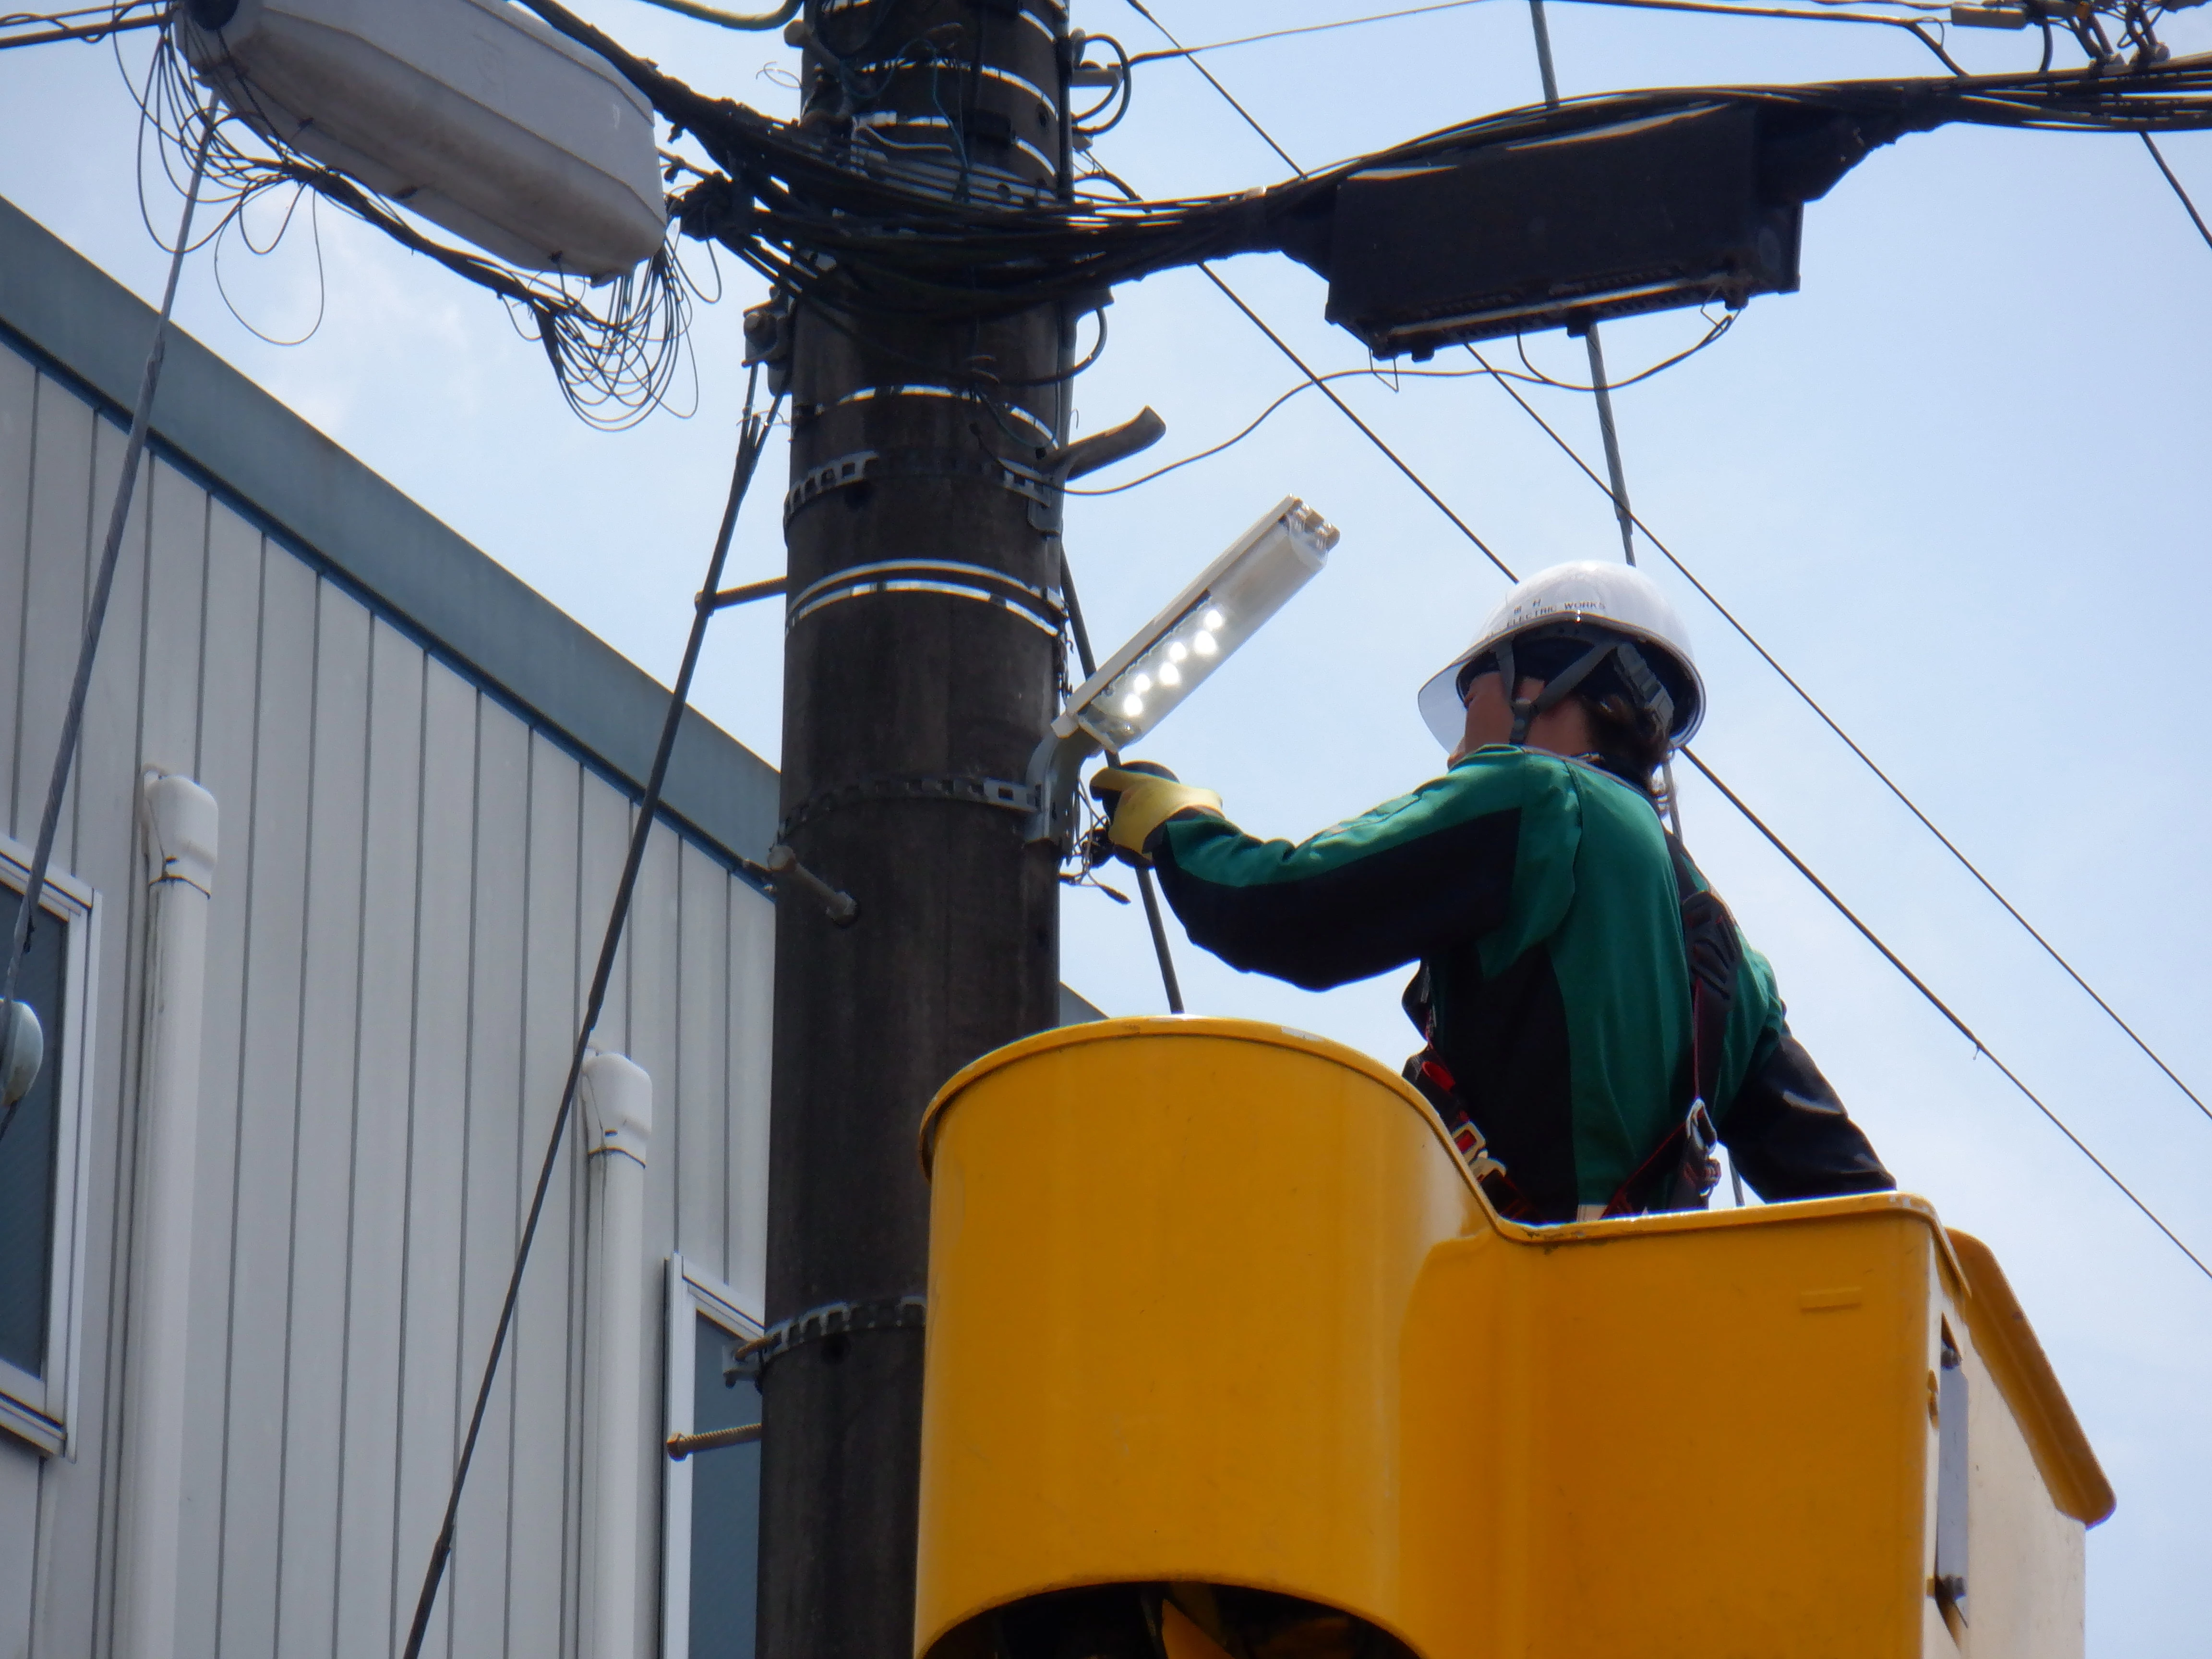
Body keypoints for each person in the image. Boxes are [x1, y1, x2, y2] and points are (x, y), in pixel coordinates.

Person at [1090, 561, 1892, 1223]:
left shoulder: (1538, 798)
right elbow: (1854, 1207)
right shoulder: (1727, 955)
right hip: (1631, 1315)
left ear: (1540, 686)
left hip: (1489, 1285)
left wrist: (1179, 830)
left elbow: (1288, 912)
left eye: (1475, 691)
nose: (1461, 743)